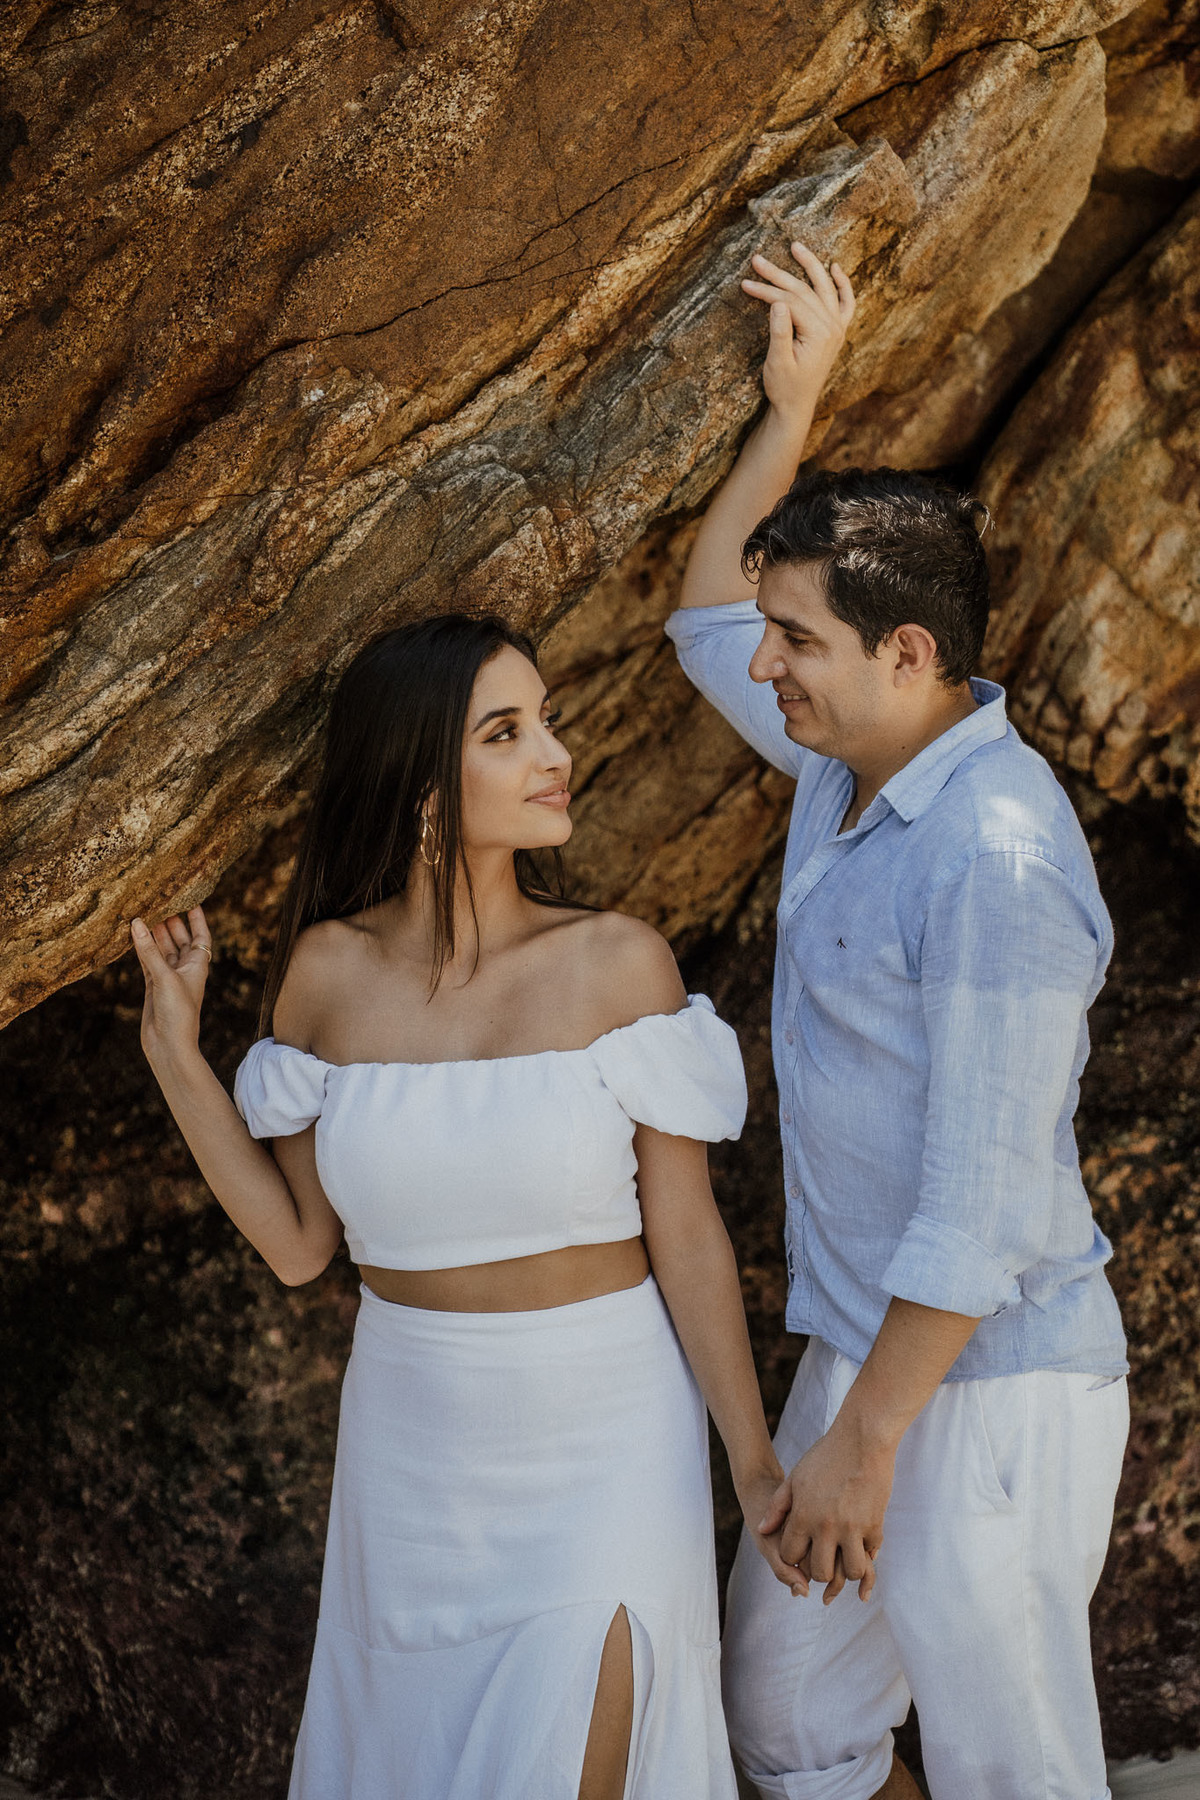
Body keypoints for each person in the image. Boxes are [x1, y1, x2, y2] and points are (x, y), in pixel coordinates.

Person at [128, 612, 804, 1800]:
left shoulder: (618, 962)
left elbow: (687, 1232)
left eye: (547, 720)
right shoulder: (326, 976)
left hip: (606, 1427)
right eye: (508, 731)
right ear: (427, 791)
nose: (556, 752)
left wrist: (749, 1461)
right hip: (415, 1440)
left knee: (586, 1745)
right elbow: (297, 1249)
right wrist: (177, 1053)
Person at [665, 244, 1130, 1800]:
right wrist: (794, 408)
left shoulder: (994, 856)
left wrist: (861, 1445)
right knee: (788, 1719)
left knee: (1018, 1760)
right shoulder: (841, 763)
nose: (764, 661)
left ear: (910, 656)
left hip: (983, 1385)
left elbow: (983, 1203)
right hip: (860, 1352)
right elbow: (693, 620)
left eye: (793, 636)